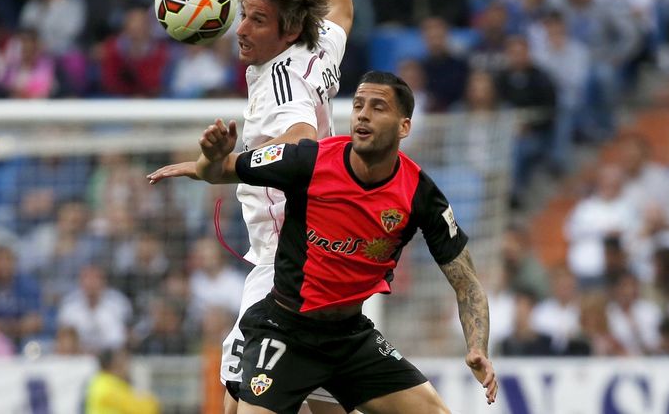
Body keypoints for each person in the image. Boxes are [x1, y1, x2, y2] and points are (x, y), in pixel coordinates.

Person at [147, 0, 353, 414]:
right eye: (244, 14)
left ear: (286, 31)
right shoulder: (315, 48)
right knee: (316, 401)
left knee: (241, 403)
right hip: (321, 259)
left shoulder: (283, 85)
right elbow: (344, 12)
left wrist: (222, 166)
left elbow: (301, 147)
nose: (241, 30)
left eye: (257, 21)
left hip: (285, 264)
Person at [193, 71, 497, 412]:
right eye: (358, 105)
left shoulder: (420, 194)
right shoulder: (307, 160)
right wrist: (211, 157)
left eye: (378, 107)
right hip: (286, 331)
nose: (363, 114)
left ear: (404, 127)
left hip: (350, 338)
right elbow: (219, 171)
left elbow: (467, 284)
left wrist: (477, 347)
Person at [85, 347, 160, 414]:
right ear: (115, 365)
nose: (126, 367)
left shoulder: (99, 382)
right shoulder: (110, 388)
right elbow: (146, 410)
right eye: (123, 362)